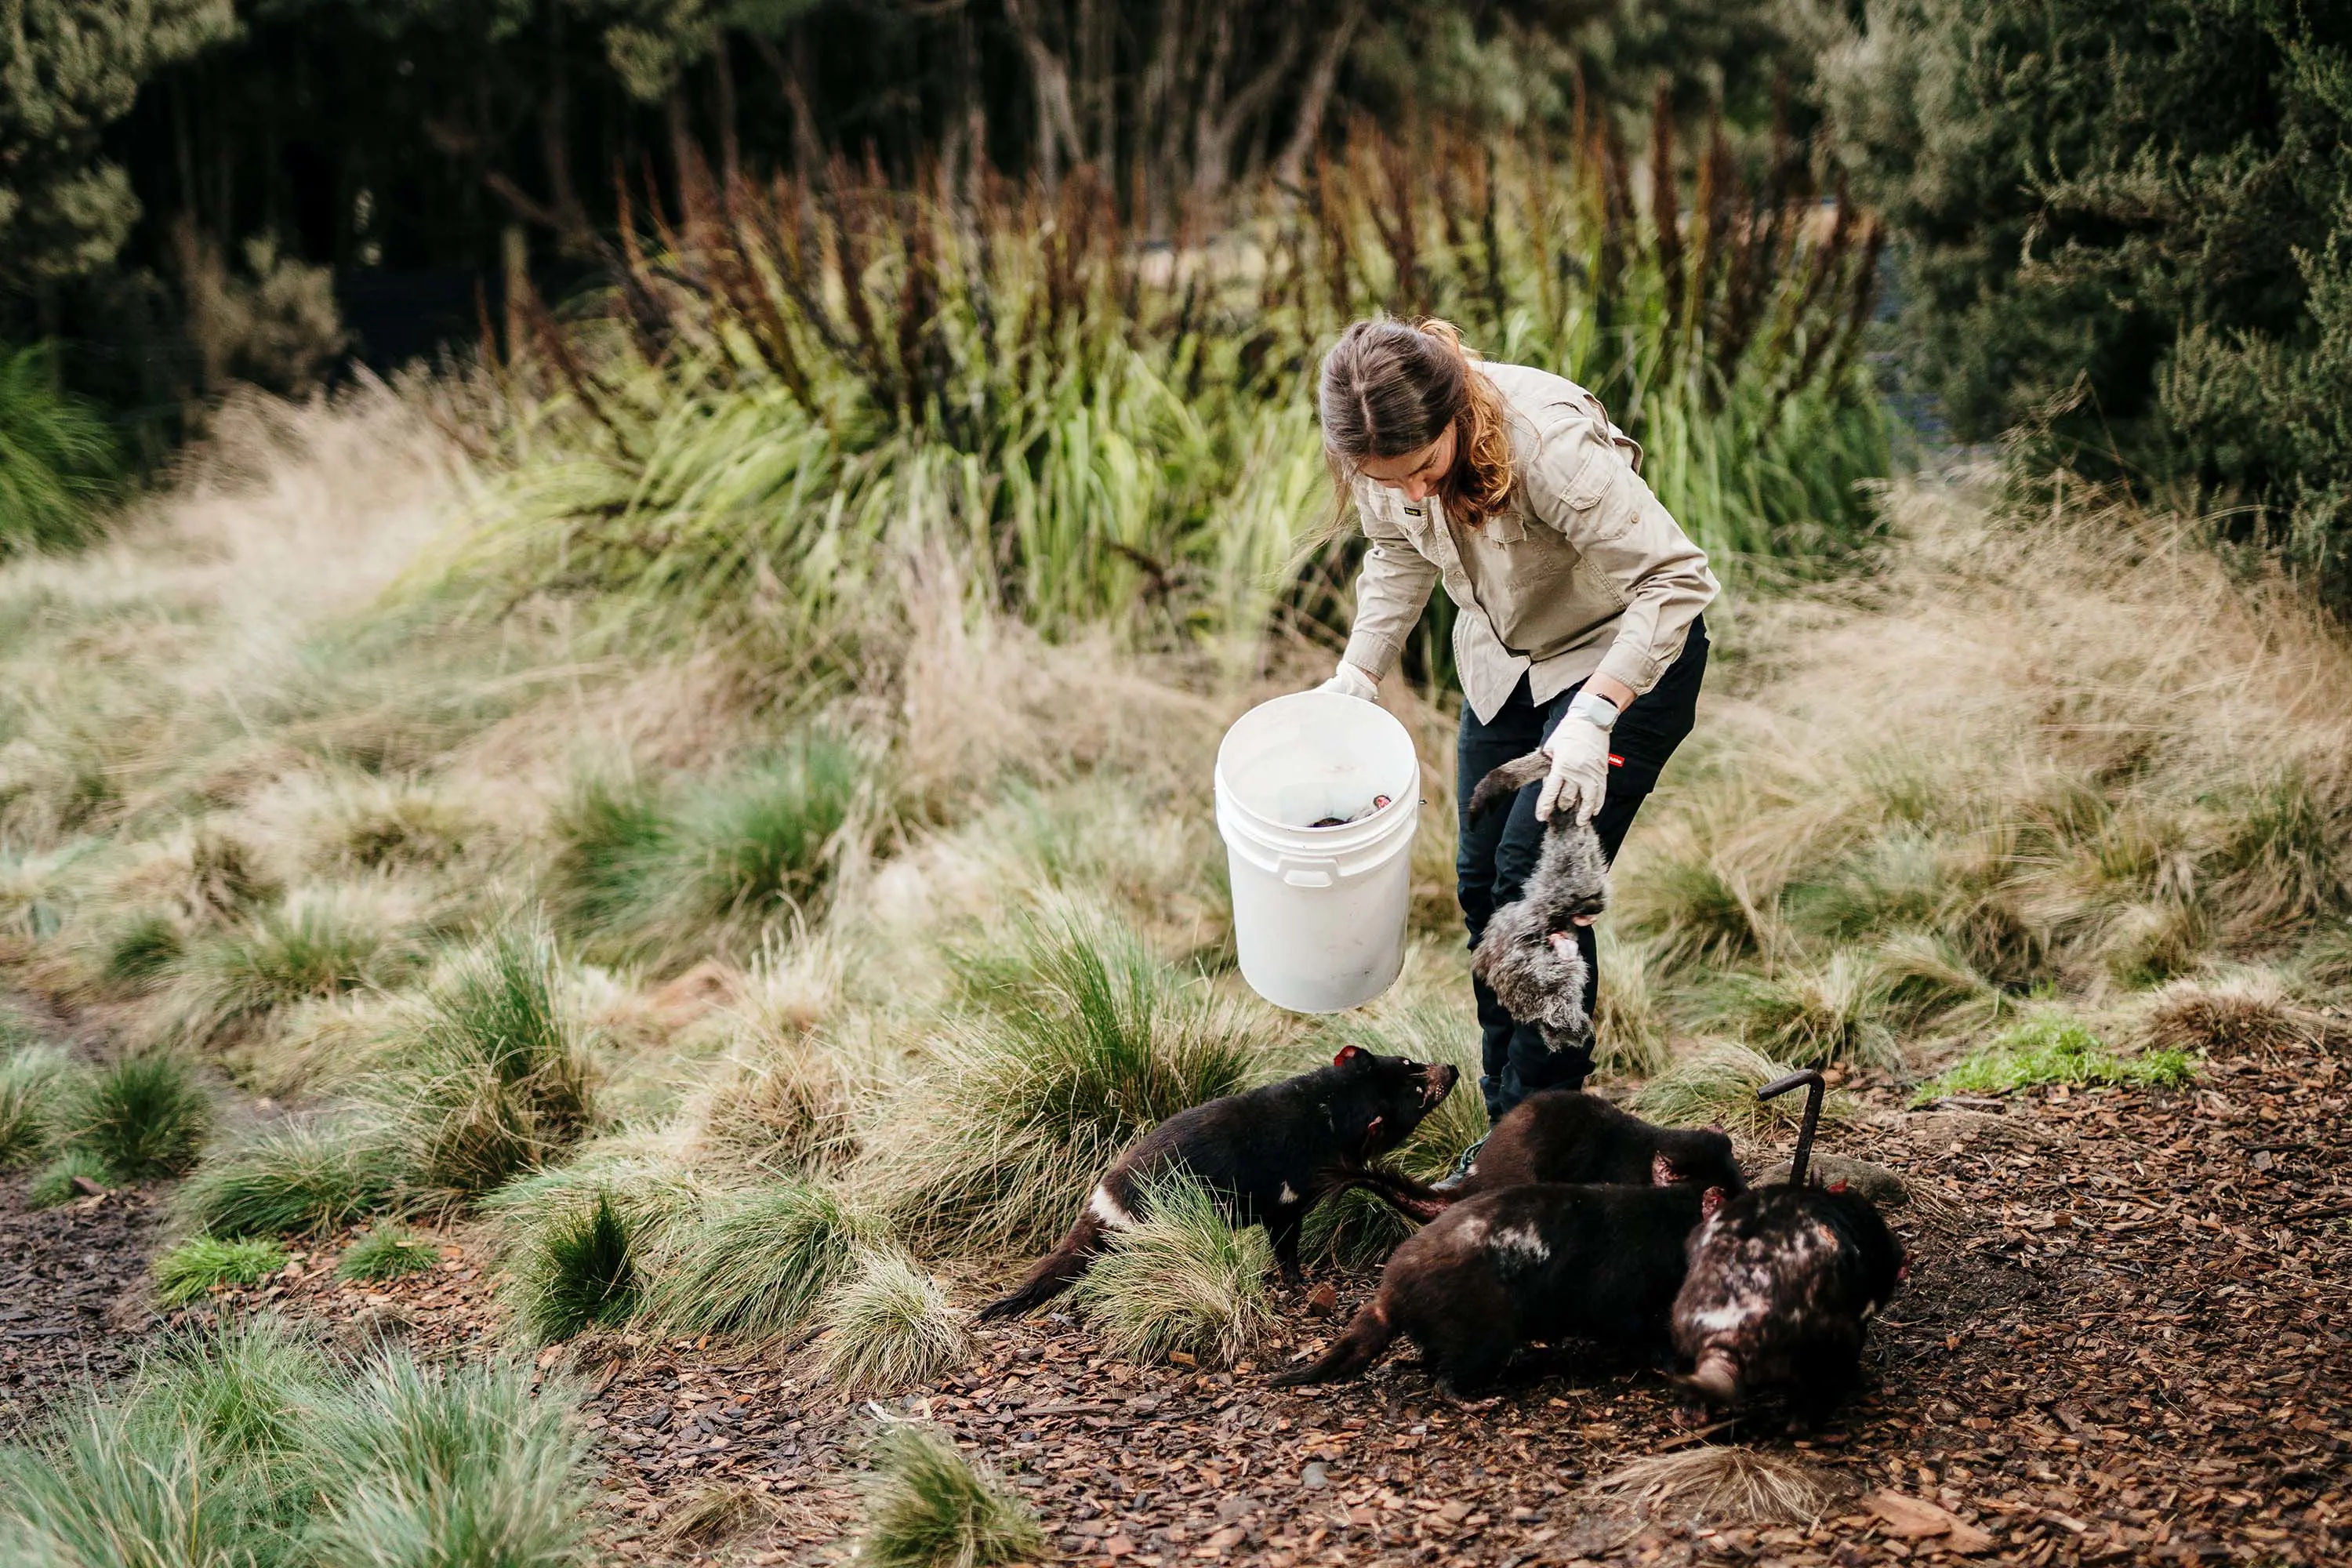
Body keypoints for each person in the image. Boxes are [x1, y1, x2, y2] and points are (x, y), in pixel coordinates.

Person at [1312, 317, 1717, 1181]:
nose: (1413, 492)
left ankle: (1542, 1157)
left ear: (1458, 413)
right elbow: (1395, 552)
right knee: (1478, 887)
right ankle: (1506, 1136)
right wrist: (1357, 672)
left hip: (1622, 657)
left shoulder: (1549, 444)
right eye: (1390, 481)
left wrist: (1599, 711)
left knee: (1533, 903)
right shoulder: (1390, 459)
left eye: (1425, 469)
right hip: (1505, 666)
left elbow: (1677, 579)